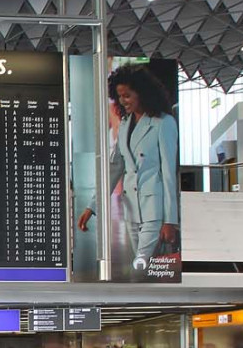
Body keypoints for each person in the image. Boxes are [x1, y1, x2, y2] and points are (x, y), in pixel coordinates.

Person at [77, 64, 180, 278]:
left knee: (140, 270)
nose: (123, 101)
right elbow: (114, 168)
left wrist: (170, 220)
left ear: (142, 93)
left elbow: (170, 173)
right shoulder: (124, 124)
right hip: (132, 210)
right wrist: (91, 207)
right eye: (119, 96)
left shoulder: (164, 123)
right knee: (145, 273)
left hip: (155, 211)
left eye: (127, 95)